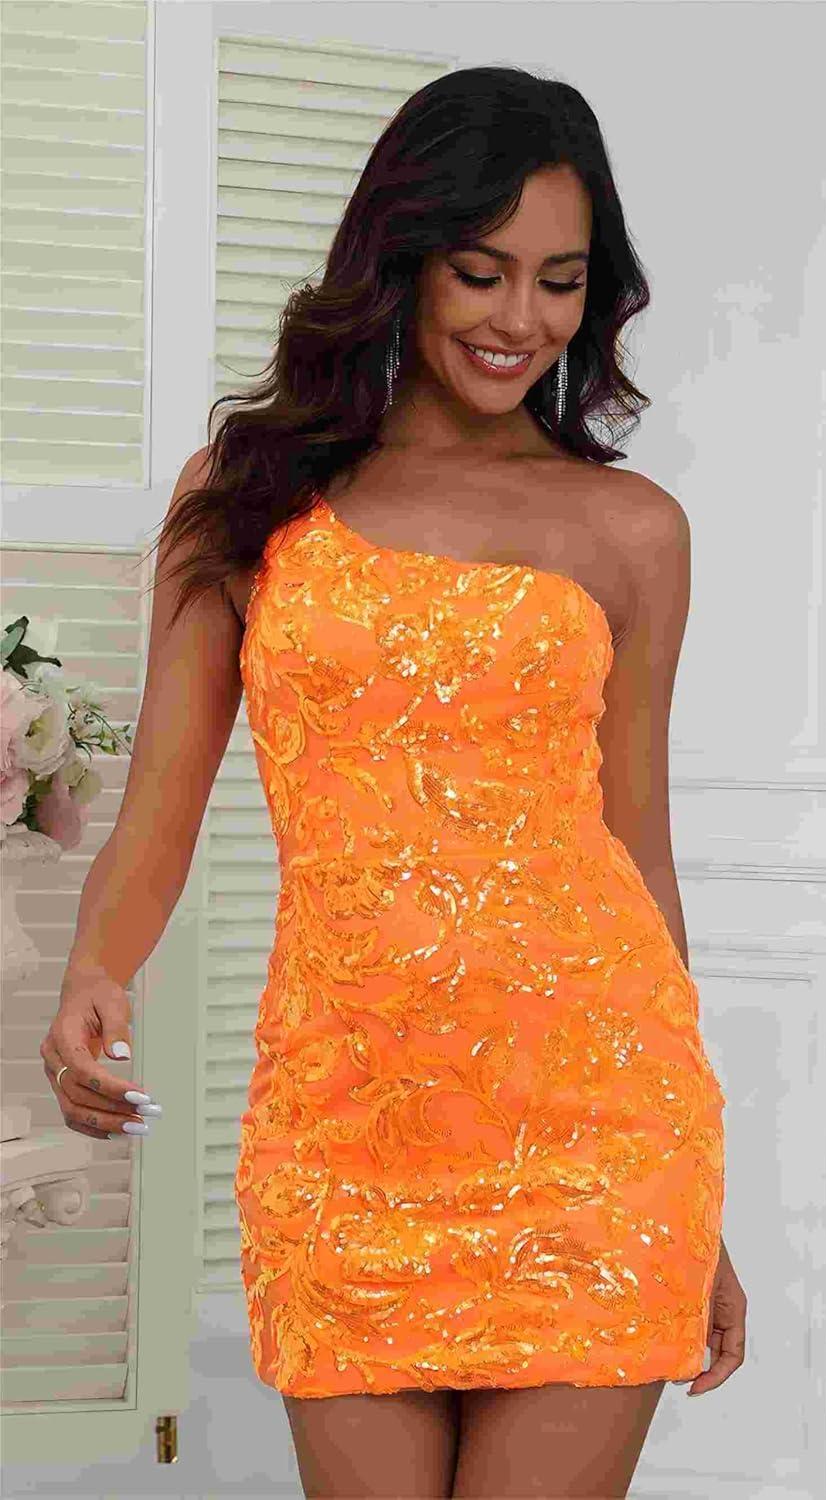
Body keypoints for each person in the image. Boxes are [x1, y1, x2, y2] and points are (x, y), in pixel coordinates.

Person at [41, 65, 746, 1499]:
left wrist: (701, 1205)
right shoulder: (248, 496)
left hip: (601, 1139)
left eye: (560, 282)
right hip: (344, 1135)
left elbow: (636, 848)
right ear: (401, 258)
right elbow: (161, 806)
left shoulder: (633, 530)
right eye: (481, 272)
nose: (519, 319)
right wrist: (94, 971)